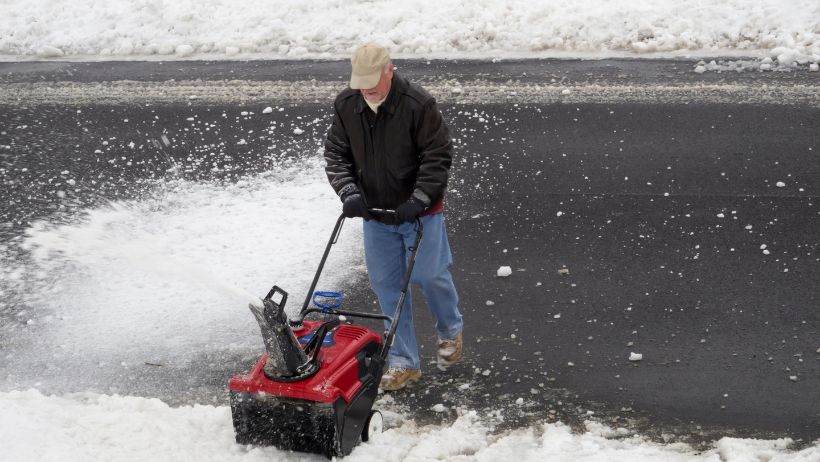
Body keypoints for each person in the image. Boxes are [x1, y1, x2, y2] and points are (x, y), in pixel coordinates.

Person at [323, 42, 463, 391]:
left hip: (420, 213)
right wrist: (350, 193)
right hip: (376, 215)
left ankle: (450, 331)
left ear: (390, 69)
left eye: (373, 79)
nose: (367, 88)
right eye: (361, 81)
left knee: (431, 276)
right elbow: (336, 154)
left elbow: (437, 155)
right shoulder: (347, 104)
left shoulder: (418, 104)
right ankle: (404, 362)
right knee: (387, 288)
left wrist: (419, 198)